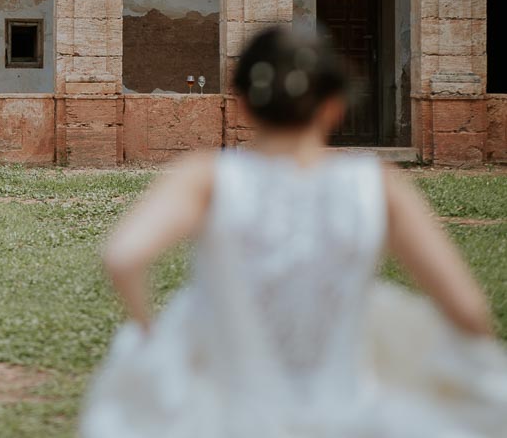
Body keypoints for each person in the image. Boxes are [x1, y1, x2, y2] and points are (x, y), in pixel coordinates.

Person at [81, 26, 507, 438]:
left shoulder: (207, 176)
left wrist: (151, 337)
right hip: (347, 415)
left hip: (230, 416)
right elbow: (468, 310)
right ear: (335, 106)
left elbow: (123, 256)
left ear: (243, 103)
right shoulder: (376, 183)